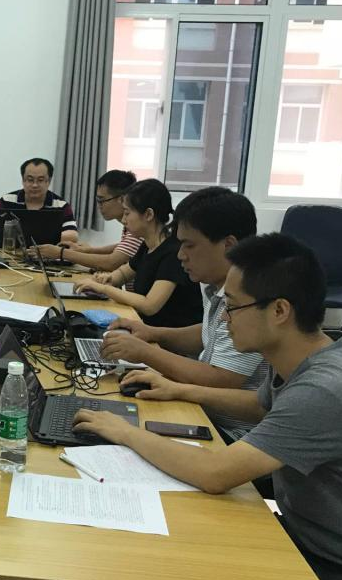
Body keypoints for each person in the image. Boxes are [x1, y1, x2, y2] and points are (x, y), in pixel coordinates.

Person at [73, 233, 342, 580]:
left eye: (233, 306)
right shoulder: (311, 356)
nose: (224, 318)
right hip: (325, 543)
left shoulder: (326, 388)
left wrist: (123, 431)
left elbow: (216, 473)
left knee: (164, 577)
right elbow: (261, 405)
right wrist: (181, 390)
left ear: (279, 310)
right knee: (180, 540)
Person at [96, 187, 267, 442]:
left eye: (189, 245)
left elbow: (222, 378)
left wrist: (145, 352)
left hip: (232, 434)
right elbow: (207, 333)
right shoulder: (215, 283)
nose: (180, 255)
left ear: (228, 245)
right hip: (201, 409)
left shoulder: (251, 297)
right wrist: (152, 333)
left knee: (116, 432)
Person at [75, 178, 201, 328]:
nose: (123, 220)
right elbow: (123, 274)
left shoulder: (173, 253)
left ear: (148, 214)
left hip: (166, 336)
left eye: (127, 213)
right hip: (145, 327)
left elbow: (149, 305)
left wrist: (103, 289)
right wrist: (107, 278)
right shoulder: (147, 245)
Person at [37, 169, 141, 271]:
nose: (99, 206)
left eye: (101, 200)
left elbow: (111, 263)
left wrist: (61, 253)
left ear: (122, 199)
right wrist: (88, 250)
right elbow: (123, 248)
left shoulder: (137, 227)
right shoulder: (130, 226)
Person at [0, 157, 79, 245]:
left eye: (40, 180)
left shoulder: (61, 205)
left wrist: (35, 237)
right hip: (7, 255)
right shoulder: (7, 200)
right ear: (23, 180)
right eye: (30, 180)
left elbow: (72, 235)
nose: (35, 185)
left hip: (46, 258)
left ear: (48, 181)